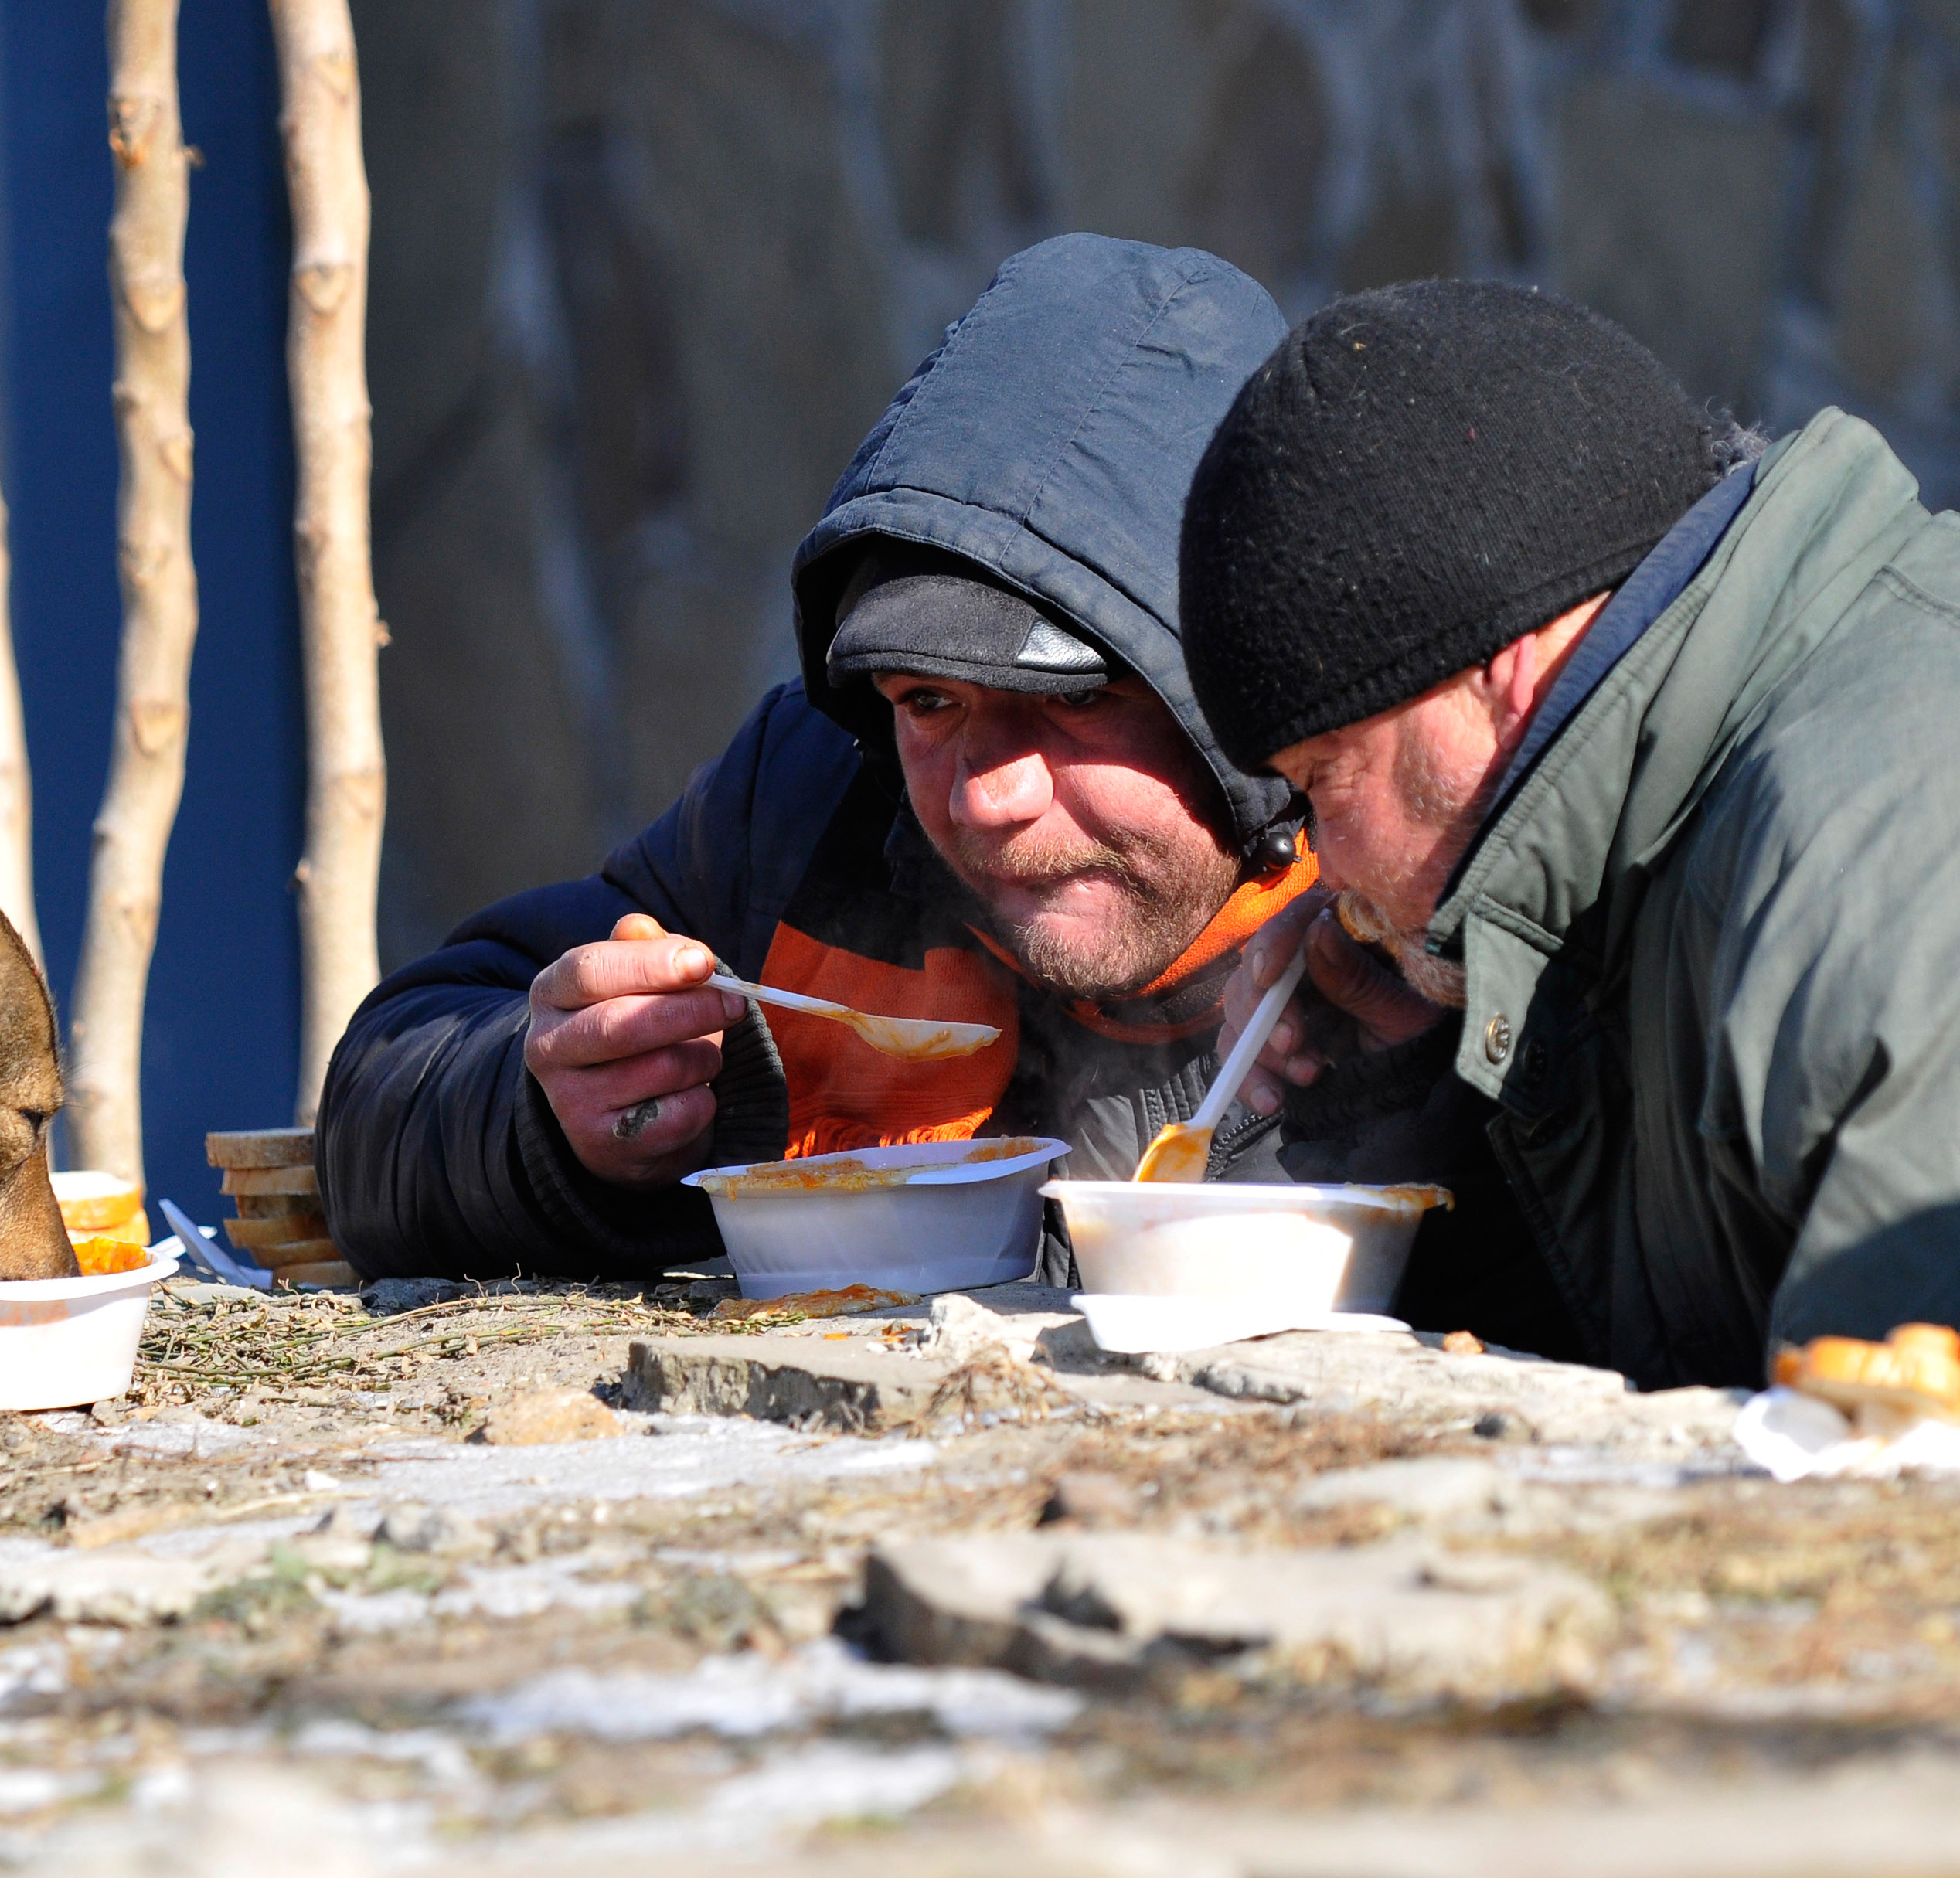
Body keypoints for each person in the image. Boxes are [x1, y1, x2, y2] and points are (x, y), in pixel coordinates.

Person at [316, 234, 1311, 1280]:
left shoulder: (1409, 906)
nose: (985, 796)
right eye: (928, 700)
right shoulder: (809, 810)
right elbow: (382, 1098)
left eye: (1070, 700)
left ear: (1238, 690)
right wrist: (545, 1112)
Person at [1179, 277, 1960, 1386]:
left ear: (1497, 666)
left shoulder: (1870, 886)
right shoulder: (1669, 827)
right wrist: (1447, 1083)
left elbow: (1875, 1511)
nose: (1324, 868)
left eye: (1321, 787)